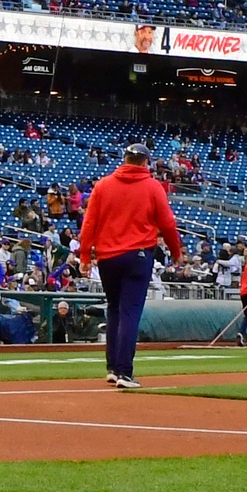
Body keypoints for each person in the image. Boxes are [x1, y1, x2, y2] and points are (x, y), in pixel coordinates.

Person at [76, 141, 183, 390]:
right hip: (137, 256)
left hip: (107, 257)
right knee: (130, 312)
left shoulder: (103, 185)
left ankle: (113, 368)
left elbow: (89, 223)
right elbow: (168, 224)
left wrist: (84, 257)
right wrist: (176, 253)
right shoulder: (153, 187)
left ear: (124, 159)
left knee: (114, 309)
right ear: (146, 162)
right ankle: (125, 371)